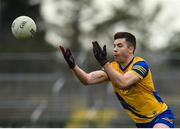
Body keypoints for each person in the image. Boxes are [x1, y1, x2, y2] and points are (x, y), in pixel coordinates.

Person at [59, 32, 176, 128]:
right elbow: (87, 80)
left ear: (131, 49)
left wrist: (104, 63)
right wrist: (73, 66)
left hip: (161, 116)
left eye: (119, 46)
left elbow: (123, 82)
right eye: (114, 46)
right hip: (141, 123)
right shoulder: (113, 68)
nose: (115, 49)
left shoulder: (140, 64)